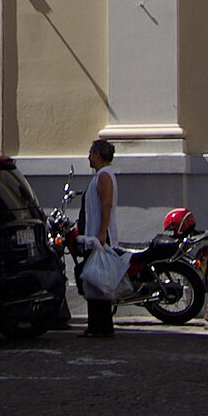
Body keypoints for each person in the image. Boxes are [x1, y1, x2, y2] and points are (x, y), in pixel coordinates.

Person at [81, 137, 118, 339]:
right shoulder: (100, 176)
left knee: (98, 281)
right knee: (94, 281)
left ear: (97, 154)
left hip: (100, 236)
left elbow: (106, 204)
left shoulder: (104, 176)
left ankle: (100, 325)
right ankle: (96, 324)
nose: (89, 156)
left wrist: (102, 232)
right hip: (94, 236)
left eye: (90, 153)